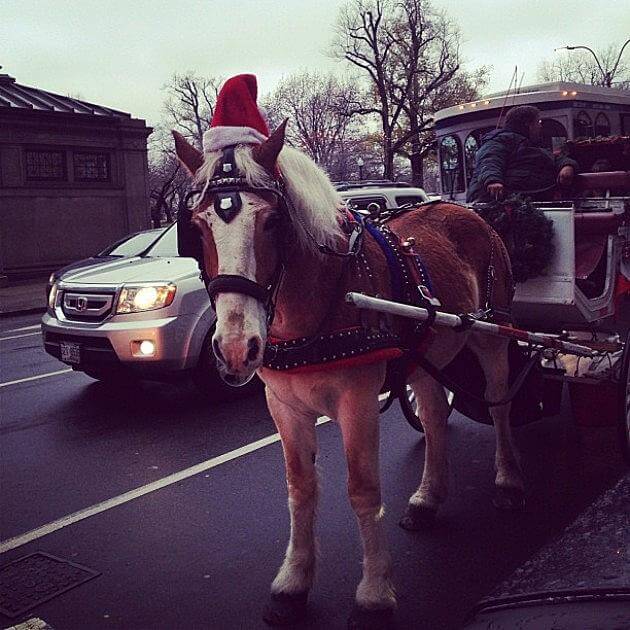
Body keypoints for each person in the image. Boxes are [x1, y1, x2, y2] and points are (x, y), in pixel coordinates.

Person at [467, 105, 578, 203]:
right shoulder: (499, 141)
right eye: (538, 122)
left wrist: (567, 165)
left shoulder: (532, 146)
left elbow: (554, 158)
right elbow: (489, 159)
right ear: (528, 124)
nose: (540, 126)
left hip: (530, 202)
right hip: (497, 204)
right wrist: (493, 180)